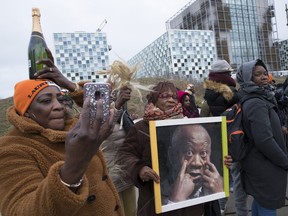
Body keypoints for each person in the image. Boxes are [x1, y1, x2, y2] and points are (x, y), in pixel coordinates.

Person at [0, 55, 123, 215]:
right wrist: (76, 164)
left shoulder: (73, 126)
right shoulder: (12, 149)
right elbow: (22, 211)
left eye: (60, 99)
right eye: (46, 101)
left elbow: (102, 105)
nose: (58, 106)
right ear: (27, 112)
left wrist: (67, 83)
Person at [117, 81, 232, 216]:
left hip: (192, 208)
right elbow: (124, 155)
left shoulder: (188, 123)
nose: (170, 99)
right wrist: (139, 169)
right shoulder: (141, 128)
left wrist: (223, 163)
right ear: (154, 99)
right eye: (164, 96)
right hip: (154, 200)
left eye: (174, 97)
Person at [236, 59, 288, 215]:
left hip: (260, 162)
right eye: (257, 74)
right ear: (246, 78)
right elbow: (264, 140)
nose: (264, 77)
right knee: (267, 202)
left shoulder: (260, 97)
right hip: (264, 164)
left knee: (261, 201)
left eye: (265, 73)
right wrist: (284, 161)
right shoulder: (256, 102)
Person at [199, 59, 239, 214]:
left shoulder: (207, 96)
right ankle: (222, 205)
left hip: (214, 141)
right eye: (229, 73)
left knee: (219, 174)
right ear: (226, 75)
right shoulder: (232, 93)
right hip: (232, 139)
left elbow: (203, 118)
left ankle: (219, 207)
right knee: (228, 173)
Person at [162, 124, 223, 204]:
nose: (197, 163)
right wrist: (177, 200)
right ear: (172, 155)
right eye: (189, 153)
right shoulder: (158, 193)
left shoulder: (218, 185)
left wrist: (220, 193)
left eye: (203, 153)